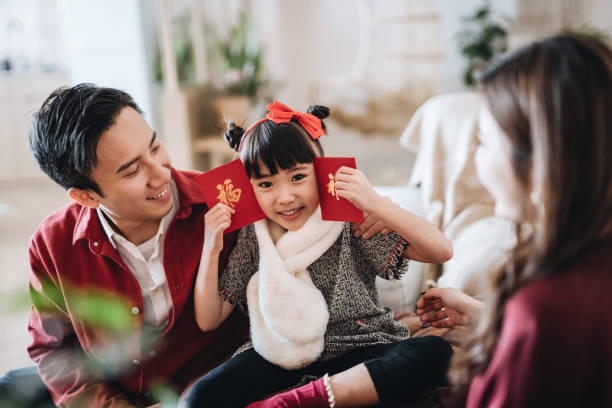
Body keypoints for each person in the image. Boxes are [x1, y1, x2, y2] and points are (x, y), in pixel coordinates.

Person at [184, 101, 454, 408]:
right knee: (200, 398)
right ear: (250, 188)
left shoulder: (350, 216)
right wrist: (211, 245)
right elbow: (209, 318)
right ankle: (310, 397)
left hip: (361, 347)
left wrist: (378, 205)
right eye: (266, 184)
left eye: (298, 177)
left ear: (321, 170)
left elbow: (441, 250)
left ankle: (305, 399)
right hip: (281, 355)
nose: (285, 197)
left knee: (435, 353)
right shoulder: (254, 236)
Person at [0, 83, 253, 407]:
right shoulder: (52, 244)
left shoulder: (222, 203)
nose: (160, 173)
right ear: (86, 196)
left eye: (155, 146)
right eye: (132, 170)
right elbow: (53, 350)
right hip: (113, 392)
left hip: (209, 392)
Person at [416, 33, 612, 407]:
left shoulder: (545, 312)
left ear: (540, 162)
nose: (477, 160)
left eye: (486, 141)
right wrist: (482, 315)